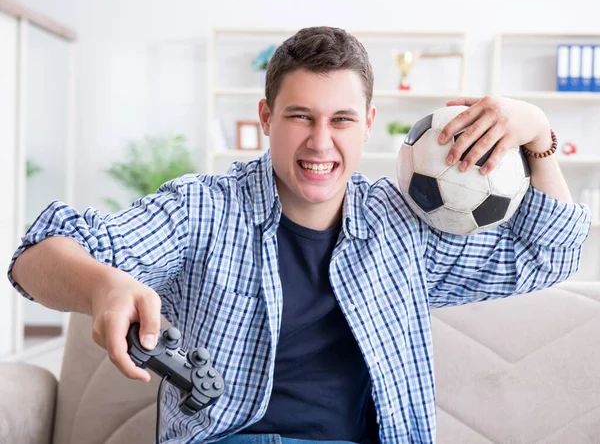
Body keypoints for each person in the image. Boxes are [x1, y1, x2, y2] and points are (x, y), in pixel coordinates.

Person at [7, 26, 591, 444]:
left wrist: (537, 134)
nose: (320, 142)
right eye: (299, 117)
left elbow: (549, 255)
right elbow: (34, 257)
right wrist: (103, 285)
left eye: (340, 120)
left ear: (366, 125)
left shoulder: (405, 229)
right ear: (266, 118)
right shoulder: (201, 208)